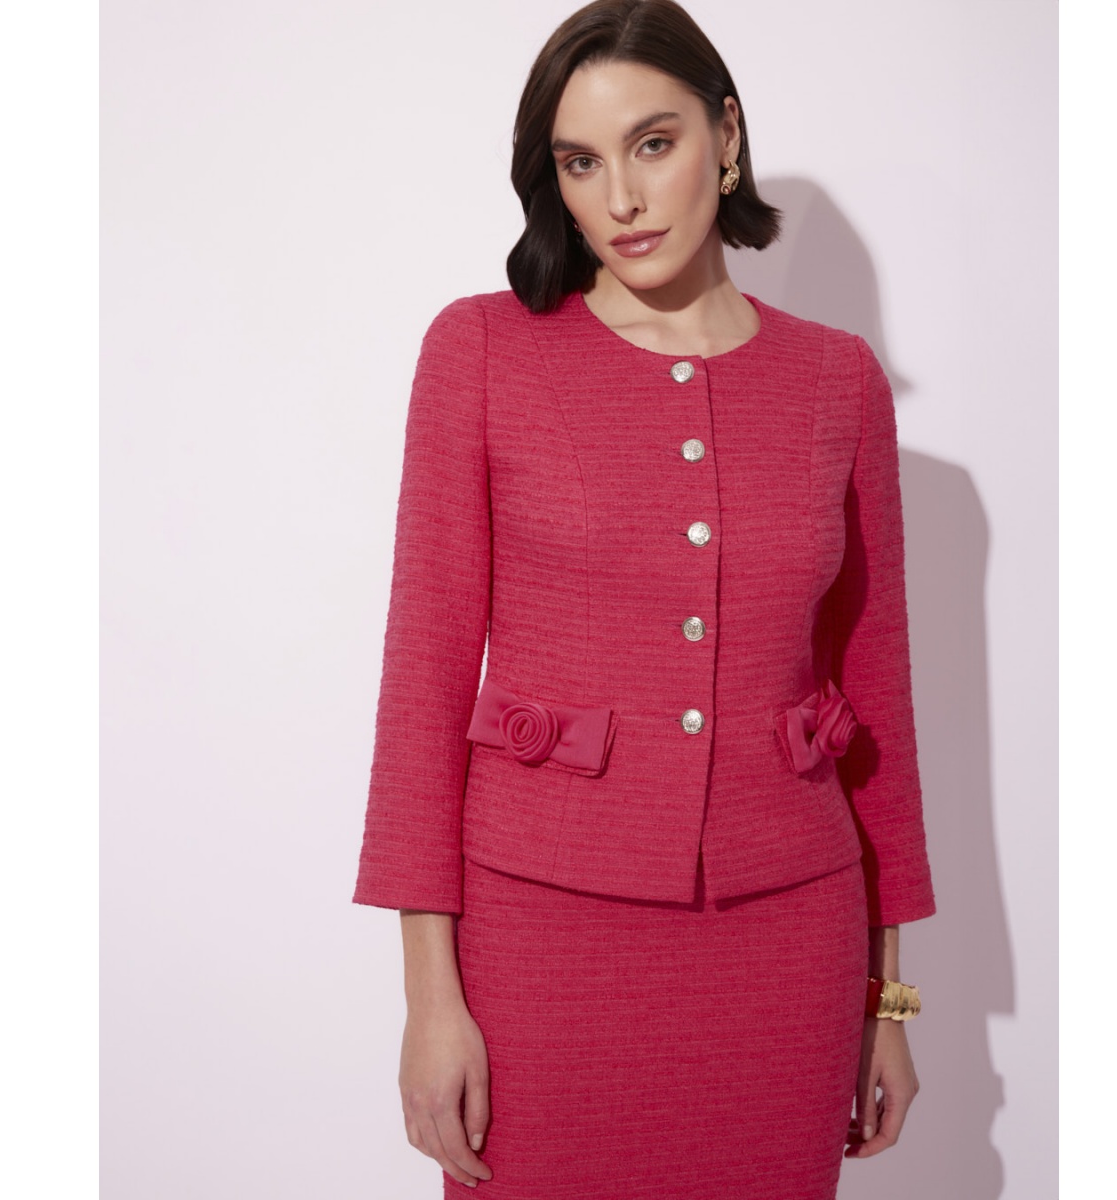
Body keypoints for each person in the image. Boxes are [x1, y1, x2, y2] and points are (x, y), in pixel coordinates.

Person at [351, 1, 936, 1196]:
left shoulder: (837, 381)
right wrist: (429, 1002)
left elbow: (876, 698)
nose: (620, 197)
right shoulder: (481, 354)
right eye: (581, 162)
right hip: (539, 951)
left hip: (789, 946)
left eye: (653, 144)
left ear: (727, 136)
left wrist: (889, 999)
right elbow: (422, 687)